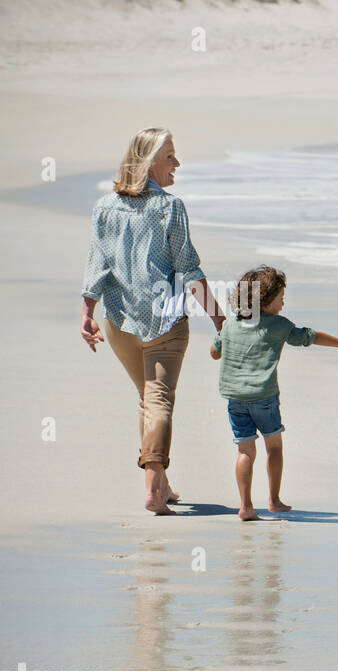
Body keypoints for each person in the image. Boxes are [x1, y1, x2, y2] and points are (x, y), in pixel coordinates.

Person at [80, 127, 229, 514]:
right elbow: (189, 269)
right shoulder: (169, 207)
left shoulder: (103, 207)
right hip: (165, 321)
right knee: (159, 400)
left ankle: (161, 483)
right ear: (149, 162)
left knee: (148, 400)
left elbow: (98, 265)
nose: (177, 163)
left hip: (120, 323)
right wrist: (219, 319)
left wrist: (87, 313)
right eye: (171, 157)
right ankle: (152, 490)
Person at [211, 265, 338, 521]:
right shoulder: (279, 325)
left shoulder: (230, 324)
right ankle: (273, 501)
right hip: (264, 398)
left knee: (245, 452)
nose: (284, 302)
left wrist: (225, 346)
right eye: (280, 298)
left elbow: (215, 351)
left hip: (235, 399)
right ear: (264, 301)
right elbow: (310, 336)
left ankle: (245, 507)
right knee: (274, 448)